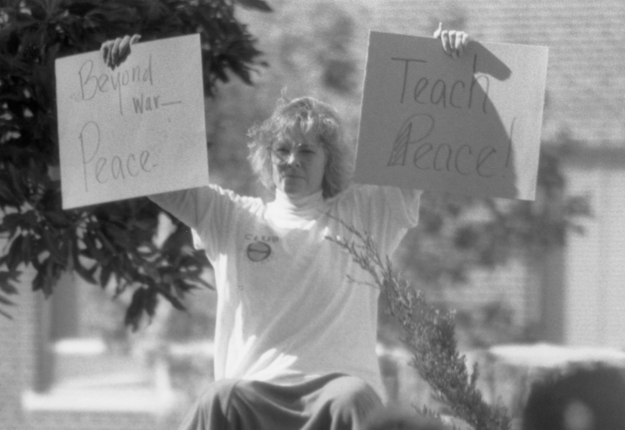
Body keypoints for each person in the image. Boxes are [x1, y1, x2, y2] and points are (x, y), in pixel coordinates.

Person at [102, 25, 470, 430]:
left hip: (336, 395)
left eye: (307, 150)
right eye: (282, 148)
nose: (292, 160)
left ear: (329, 161)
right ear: (266, 156)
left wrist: (445, 66)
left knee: (353, 397)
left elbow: (415, 159)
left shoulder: (365, 214)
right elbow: (158, 175)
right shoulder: (231, 216)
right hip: (252, 395)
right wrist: (124, 82)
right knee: (218, 398)